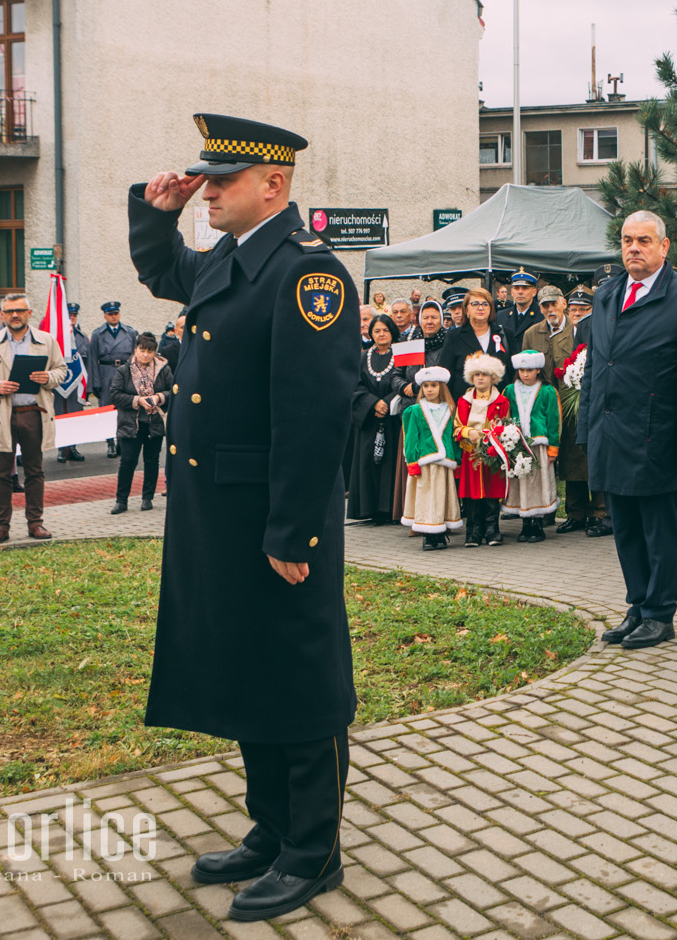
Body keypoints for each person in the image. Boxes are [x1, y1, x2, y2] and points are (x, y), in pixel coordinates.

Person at [130, 113, 358, 921]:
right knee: (248, 669)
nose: (209, 189)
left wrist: (293, 528)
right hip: (218, 509)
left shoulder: (308, 275)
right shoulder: (234, 259)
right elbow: (166, 272)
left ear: (275, 184)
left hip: (272, 514)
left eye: (222, 178)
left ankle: (313, 850)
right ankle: (272, 827)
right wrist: (156, 213)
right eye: (205, 175)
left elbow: (314, 412)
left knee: (298, 676)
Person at [578, 211, 677, 649]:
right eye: (626, 240)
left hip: (659, 438)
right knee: (627, 531)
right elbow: (597, 366)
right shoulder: (606, 294)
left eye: (643, 240)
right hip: (611, 434)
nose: (633, 248)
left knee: (660, 532)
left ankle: (660, 613)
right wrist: (588, 428)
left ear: (663, 246)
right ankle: (637, 606)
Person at [0, 293, 69, 543]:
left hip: (33, 414)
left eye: (19, 310)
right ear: (1, 315)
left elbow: (62, 371)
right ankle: (1, 526)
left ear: (29, 313)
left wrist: (48, 378)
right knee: (1, 474)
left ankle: (35, 523)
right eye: (9, 311)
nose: (14, 315)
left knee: (35, 471)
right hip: (2, 415)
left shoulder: (46, 341)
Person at [552, 287, 608, 536]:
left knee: (594, 458)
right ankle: (575, 513)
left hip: (594, 403)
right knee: (572, 461)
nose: (577, 313)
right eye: (573, 309)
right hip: (567, 406)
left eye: (584, 309)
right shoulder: (558, 338)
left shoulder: (600, 331)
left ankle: (599, 512)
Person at [346, 315, 408, 525]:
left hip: (393, 418)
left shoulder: (402, 354)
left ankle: (391, 509)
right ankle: (369, 509)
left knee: (391, 462)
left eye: (385, 331)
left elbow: (405, 380)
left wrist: (388, 402)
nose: (381, 335)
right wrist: (373, 403)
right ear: (371, 334)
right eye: (377, 331)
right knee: (368, 462)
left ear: (392, 332)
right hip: (369, 418)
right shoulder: (363, 357)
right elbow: (355, 384)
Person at [109, 332, 175, 514]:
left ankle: (148, 497)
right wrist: (137, 400)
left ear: (155, 352)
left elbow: (174, 391)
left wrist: (158, 397)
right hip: (131, 423)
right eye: (142, 350)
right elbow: (114, 394)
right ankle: (121, 501)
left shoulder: (164, 369)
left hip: (154, 422)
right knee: (128, 461)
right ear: (135, 350)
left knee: (152, 461)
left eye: (150, 351)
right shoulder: (124, 370)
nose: (145, 354)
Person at [454, 353, 511, 546]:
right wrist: (467, 431)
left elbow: (506, 426)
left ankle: (491, 529)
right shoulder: (463, 401)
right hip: (470, 453)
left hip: (491, 453)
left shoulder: (501, 402)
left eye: (485, 374)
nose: (480, 378)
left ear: (493, 377)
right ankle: (473, 530)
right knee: (472, 493)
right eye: (477, 374)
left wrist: (493, 437)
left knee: (491, 490)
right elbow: (457, 426)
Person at [400, 367, 461, 547]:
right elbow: (410, 438)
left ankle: (440, 533)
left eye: (433, 385)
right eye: (425, 386)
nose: (429, 389)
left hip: (444, 463)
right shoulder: (414, 411)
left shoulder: (450, 409)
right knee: (426, 498)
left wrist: (457, 461)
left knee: (442, 497)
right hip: (425, 463)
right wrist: (412, 462)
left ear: (441, 387)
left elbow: (453, 438)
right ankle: (428, 535)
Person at [504, 350, 561, 540]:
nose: (525, 374)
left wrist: (553, 448)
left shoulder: (547, 391)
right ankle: (525, 523)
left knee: (538, 482)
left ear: (538, 369)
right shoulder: (510, 390)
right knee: (521, 483)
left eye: (529, 370)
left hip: (539, 446)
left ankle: (538, 524)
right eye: (521, 370)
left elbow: (554, 420)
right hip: (518, 445)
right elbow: (505, 416)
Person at [439, 288, 511, 400]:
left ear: (491, 309)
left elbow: (512, 372)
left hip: (499, 407)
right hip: (465, 407)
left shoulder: (505, 334)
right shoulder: (454, 336)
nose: (480, 308)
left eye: (485, 304)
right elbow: (445, 374)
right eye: (475, 304)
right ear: (466, 309)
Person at [91, 302, 138, 459]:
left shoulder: (130, 332)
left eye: (116, 313)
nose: (113, 316)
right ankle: (110, 442)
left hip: (125, 373)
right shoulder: (97, 334)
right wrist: (95, 383)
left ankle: (122, 441)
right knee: (107, 410)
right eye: (110, 314)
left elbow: (135, 357)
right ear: (105, 316)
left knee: (125, 409)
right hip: (106, 374)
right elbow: (93, 360)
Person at [54, 301, 92, 463]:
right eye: (69, 315)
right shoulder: (56, 337)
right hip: (60, 385)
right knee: (61, 415)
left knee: (75, 416)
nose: (72, 318)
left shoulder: (82, 338)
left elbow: (88, 362)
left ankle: (73, 447)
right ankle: (62, 449)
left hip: (77, 386)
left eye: (75, 315)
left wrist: (88, 388)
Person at [497, 272, 543, 349]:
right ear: (512, 292)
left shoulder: (542, 315)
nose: (520, 292)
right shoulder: (501, 316)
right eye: (516, 288)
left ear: (534, 292)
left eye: (525, 288)